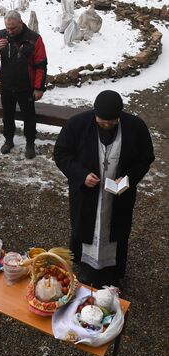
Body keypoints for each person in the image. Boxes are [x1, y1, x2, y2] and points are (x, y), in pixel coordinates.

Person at [53, 90, 154, 288]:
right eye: (102, 121)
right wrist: (81, 175)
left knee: (116, 230)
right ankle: (85, 267)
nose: (107, 125)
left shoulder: (135, 127)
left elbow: (146, 157)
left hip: (119, 196)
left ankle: (112, 272)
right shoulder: (77, 124)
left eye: (111, 121)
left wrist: (128, 179)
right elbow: (61, 153)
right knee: (85, 227)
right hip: (86, 194)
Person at [0, 10, 47, 159]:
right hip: (7, 85)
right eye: (7, 28)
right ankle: (8, 140)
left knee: (29, 117)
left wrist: (39, 88)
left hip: (26, 87)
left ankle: (30, 143)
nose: (10, 31)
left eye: (13, 28)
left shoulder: (34, 38)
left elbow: (41, 65)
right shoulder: (1, 35)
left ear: (20, 23)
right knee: (7, 115)